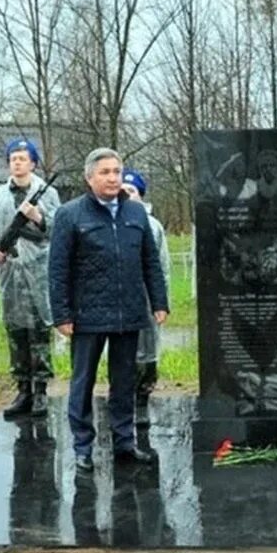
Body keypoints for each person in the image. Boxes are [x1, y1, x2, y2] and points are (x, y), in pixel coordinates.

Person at [49, 148, 169, 473]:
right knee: (83, 381)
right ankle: (83, 447)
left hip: (128, 312)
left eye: (117, 171)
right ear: (90, 178)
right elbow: (58, 268)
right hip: (87, 314)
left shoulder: (136, 213)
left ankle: (124, 442)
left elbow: (150, 262)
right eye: (105, 172)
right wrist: (61, 314)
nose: (113, 177)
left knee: (124, 380)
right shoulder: (70, 215)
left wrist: (159, 301)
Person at [0, 139, 60, 420]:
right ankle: (22, 388)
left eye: (23, 158)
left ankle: (40, 390)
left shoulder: (47, 193)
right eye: (13, 158)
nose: (17, 162)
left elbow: (57, 230)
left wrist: (38, 217)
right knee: (15, 332)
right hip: (9, 274)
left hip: (37, 272)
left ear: (33, 163)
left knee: (39, 331)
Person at [121, 169, 171, 428]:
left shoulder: (152, 226)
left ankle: (142, 398)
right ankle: (122, 400)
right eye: (123, 190)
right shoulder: (112, 220)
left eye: (132, 191)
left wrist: (161, 301)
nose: (127, 195)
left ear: (140, 195)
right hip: (118, 299)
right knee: (121, 352)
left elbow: (161, 267)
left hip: (145, 298)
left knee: (147, 350)